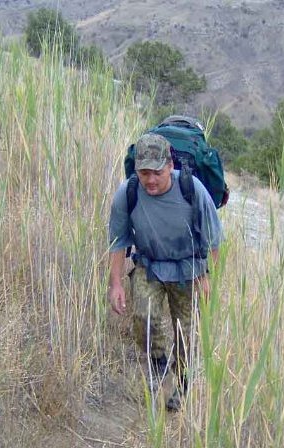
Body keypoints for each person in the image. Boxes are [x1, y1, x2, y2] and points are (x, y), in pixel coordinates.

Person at [108, 133, 223, 411]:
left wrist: (210, 279)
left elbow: (215, 240)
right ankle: (158, 364)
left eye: (157, 172)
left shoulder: (192, 189)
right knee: (144, 318)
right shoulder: (128, 192)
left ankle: (182, 385)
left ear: (170, 166)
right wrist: (116, 284)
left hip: (189, 271)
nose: (150, 180)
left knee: (186, 332)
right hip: (150, 266)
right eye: (144, 172)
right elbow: (118, 241)